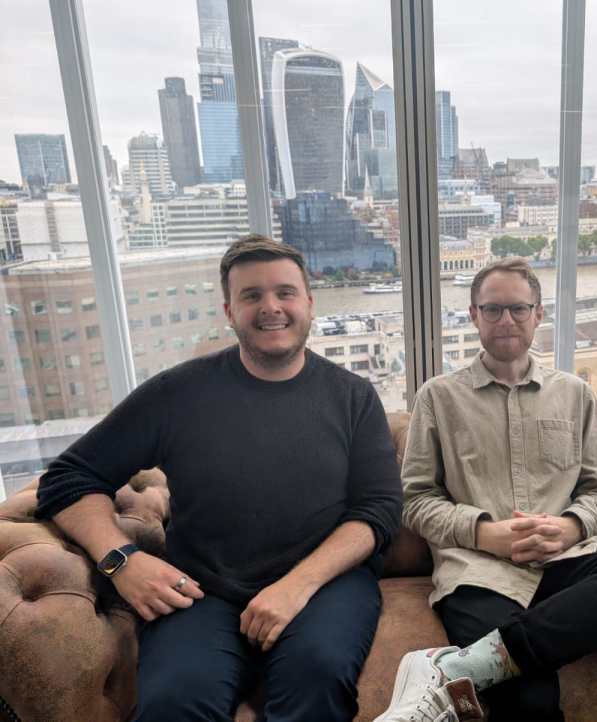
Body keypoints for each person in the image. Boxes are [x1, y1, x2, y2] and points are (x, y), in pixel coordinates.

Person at [35, 235, 402, 722]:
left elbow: (377, 510)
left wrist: (295, 587)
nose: (271, 307)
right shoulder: (177, 393)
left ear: (309, 304)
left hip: (324, 585)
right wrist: (122, 561)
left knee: (318, 678)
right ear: (230, 310)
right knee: (172, 703)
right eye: (252, 296)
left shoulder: (353, 397)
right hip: (202, 589)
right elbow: (69, 478)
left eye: (285, 293)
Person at [376, 257, 597, 721]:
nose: (506, 320)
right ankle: (502, 660)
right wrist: (485, 532)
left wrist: (570, 527)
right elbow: (416, 500)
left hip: (570, 565)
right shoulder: (438, 397)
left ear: (537, 315)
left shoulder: (574, 394)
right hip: (480, 574)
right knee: (529, 701)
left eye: (518, 309)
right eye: (492, 309)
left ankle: (461, 668)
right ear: (473, 316)